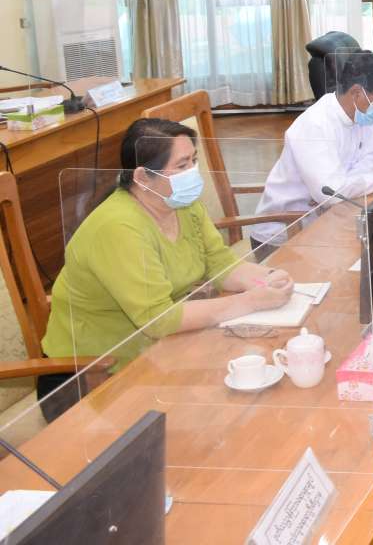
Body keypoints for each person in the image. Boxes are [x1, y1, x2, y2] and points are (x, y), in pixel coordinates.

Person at [40, 119, 293, 415]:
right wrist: (251, 301)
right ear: (143, 177)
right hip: (92, 378)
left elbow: (219, 263)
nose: (193, 172)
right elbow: (158, 320)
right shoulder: (118, 227)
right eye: (182, 165)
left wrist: (268, 277)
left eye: (194, 161)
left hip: (161, 353)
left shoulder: (181, 204)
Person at [251, 51, 373, 246]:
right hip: (283, 235)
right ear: (357, 92)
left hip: (327, 218)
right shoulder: (316, 124)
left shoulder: (362, 115)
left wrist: (342, 185)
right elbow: (333, 193)